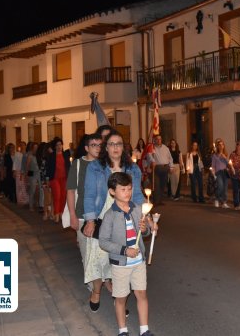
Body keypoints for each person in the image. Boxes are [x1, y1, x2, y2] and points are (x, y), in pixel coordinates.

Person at [83, 131, 143, 312]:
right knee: (98, 260)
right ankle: (96, 292)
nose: (115, 147)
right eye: (111, 144)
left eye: (119, 144)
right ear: (106, 147)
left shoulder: (133, 169)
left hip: (125, 221)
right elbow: (90, 194)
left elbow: (138, 195)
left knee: (119, 262)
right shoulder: (95, 167)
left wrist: (143, 217)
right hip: (102, 218)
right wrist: (90, 220)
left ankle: (120, 300)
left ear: (123, 147)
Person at [99, 172, 155, 336]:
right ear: (112, 191)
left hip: (138, 262)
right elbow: (103, 241)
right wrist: (124, 250)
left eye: (129, 189)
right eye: (123, 189)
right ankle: (123, 330)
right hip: (121, 264)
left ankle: (144, 329)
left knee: (141, 294)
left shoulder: (137, 209)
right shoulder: (110, 215)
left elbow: (143, 233)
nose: (127, 192)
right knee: (121, 298)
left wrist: (145, 231)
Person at [66, 133, 109, 305]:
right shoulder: (78, 165)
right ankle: (94, 287)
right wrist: (72, 215)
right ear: (86, 148)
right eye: (93, 145)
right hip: (83, 217)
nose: (97, 148)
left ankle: (103, 283)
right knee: (87, 254)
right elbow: (70, 191)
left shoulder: (105, 164)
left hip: (104, 217)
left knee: (105, 254)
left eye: (100, 145)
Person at [46, 137, 71, 223]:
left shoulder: (65, 155)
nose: (59, 146)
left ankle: (61, 213)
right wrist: (47, 180)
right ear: (55, 146)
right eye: (57, 145)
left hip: (64, 178)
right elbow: (48, 169)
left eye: (60, 144)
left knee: (63, 197)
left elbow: (69, 167)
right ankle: (56, 215)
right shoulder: (51, 156)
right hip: (55, 179)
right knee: (57, 196)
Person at [151, 135, 173, 205]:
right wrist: (151, 161)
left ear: (161, 140)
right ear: (154, 140)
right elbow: (149, 156)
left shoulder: (165, 148)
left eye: (160, 139)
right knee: (156, 185)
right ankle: (155, 201)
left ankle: (160, 200)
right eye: (157, 139)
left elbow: (170, 158)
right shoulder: (152, 148)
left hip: (165, 168)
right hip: (157, 168)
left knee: (163, 185)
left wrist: (171, 167)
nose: (158, 140)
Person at [211, 138, 230, 209]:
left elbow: (228, 164)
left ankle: (224, 202)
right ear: (218, 146)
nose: (221, 146)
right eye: (220, 145)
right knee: (220, 186)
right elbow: (213, 166)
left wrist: (225, 157)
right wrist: (213, 174)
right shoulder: (215, 155)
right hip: (218, 172)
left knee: (225, 188)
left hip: (225, 172)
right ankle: (216, 199)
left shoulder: (225, 154)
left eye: (222, 145)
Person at [228, 140, 240, 208]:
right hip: (234, 175)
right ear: (237, 146)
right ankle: (236, 204)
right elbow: (230, 163)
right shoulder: (233, 154)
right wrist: (232, 167)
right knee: (236, 189)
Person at [26, 142, 40, 212]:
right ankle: (31, 206)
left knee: (40, 189)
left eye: (37, 148)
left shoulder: (38, 156)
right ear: (32, 149)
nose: (36, 149)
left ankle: (38, 203)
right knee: (32, 190)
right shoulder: (30, 156)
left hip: (39, 174)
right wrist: (27, 177)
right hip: (32, 174)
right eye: (34, 148)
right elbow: (27, 167)